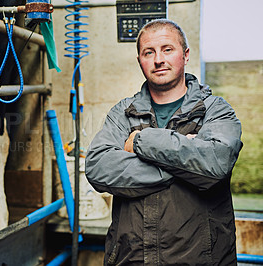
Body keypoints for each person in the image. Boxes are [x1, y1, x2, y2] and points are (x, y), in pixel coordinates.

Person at [85, 19, 243, 265]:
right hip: (131, 259)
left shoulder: (215, 110)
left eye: (167, 49)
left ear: (185, 55)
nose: (158, 59)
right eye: (149, 52)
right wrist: (183, 162)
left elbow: (215, 163)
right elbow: (98, 169)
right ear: (140, 60)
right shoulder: (123, 113)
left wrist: (141, 141)